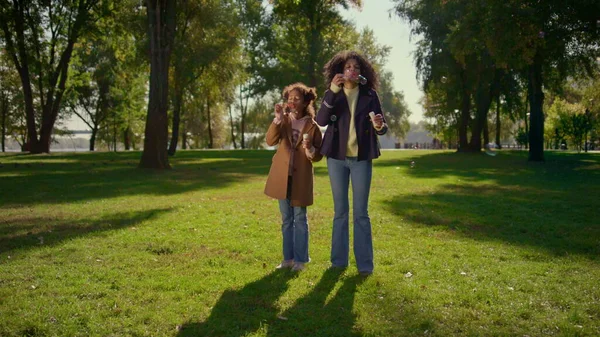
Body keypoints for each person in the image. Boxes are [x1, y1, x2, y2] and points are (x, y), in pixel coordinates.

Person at [316, 51, 388, 276]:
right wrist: (333, 91)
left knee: (361, 213)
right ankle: (339, 263)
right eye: (348, 67)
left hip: (361, 159)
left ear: (362, 72)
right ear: (340, 70)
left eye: (356, 68)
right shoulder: (333, 94)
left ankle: (365, 266)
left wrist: (378, 125)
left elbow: (382, 126)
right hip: (336, 159)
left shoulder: (369, 94)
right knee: (340, 212)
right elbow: (320, 121)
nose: (352, 71)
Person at [264, 82, 323, 271]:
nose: (292, 102)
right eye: (290, 99)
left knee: (299, 218)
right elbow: (270, 140)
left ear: (305, 101)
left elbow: (318, 154)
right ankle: (287, 259)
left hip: (301, 178)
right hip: (282, 177)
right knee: (286, 219)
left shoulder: (312, 126)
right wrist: (277, 119)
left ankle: (300, 261)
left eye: (297, 99)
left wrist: (311, 150)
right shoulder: (285, 121)